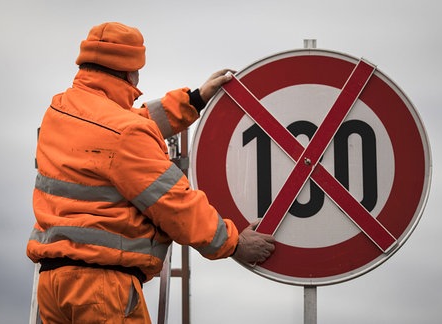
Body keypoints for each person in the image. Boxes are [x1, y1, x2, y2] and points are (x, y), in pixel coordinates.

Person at [26, 22, 276, 323]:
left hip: (53, 287)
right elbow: (175, 204)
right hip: (101, 290)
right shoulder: (127, 133)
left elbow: (125, 125)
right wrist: (233, 243)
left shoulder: (59, 111)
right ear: (129, 72)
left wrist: (195, 99)